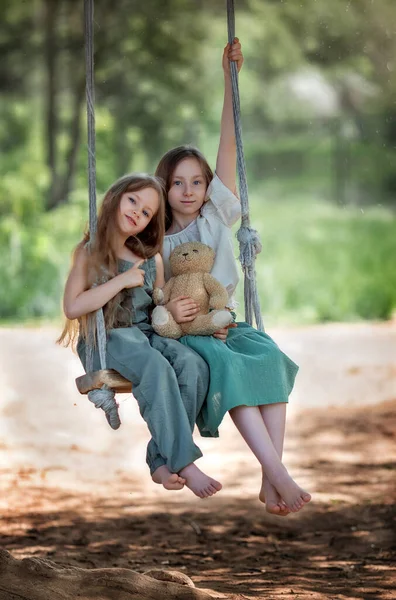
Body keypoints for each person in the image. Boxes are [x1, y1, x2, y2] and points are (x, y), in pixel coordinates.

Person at [155, 39, 311, 514]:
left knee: (268, 357)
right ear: (162, 187)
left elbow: (229, 144)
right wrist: (175, 313)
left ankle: (271, 474)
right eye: (177, 182)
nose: (188, 190)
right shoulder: (154, 236)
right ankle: (280, 475)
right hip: (187, 334)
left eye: (196, 182)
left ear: (207, 188)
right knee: (232, 371)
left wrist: (229, 80)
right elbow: (151, 291)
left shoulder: (214, 219)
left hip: (227, 322)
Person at [58, 173, 222, 499]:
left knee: (193, 365)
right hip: (109, 339)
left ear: (149, 224)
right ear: (116, 196)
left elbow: (156, 305)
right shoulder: (89, 253)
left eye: (146, 212)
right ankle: (184, 461)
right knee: (156, 368)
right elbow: (73, 307)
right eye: (133, 200)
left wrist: (173, 310)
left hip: (146, 334)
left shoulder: (151, 259)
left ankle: (160, 458)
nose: (137, 212)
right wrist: (119, 281)